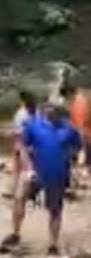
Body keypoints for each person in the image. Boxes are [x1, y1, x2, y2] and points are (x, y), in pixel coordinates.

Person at [10, 101, 82, 256]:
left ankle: (53, 244)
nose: (50, 111)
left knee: (55, 210)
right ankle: (15, 234)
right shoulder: (33, 125)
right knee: (19, 198)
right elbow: (21, 146)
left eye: (54, 109)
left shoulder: (69, 128)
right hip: (34, 172)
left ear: (59, 111)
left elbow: (77, 147)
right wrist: (28, 166)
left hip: (57, 174)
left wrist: (72, 159)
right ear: (42, 110)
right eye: (47, 108)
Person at [3, 91, 38, 249]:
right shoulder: (38, 115)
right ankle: (53, 241)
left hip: (26, 161)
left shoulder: (20, 115)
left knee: (19, 198)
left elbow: (19, 144)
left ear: (21, 100)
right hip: (40, 159)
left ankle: (16, 233)